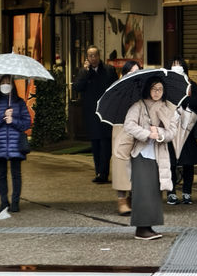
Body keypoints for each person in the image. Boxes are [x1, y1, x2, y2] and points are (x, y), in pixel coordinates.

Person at [123, 75, 179, 240]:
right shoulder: (138, 106)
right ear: (148, 88)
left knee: (154, 192)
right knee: (142, 191)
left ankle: (149, 226)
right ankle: (141, 228)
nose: (157, 92)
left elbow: (172, 132)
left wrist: (159, 134)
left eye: (160, 89)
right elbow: (129, 125)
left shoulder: (168, 107)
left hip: (159, 155)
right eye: (154, 89)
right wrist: (148, 134)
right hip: (141, 153)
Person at [0, 75, 31, 214]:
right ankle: (4, 202)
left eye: (8, 82)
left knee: (16, 174)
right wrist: (3, 116)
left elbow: (27, 123)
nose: (5, 85)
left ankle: (15, 202)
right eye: (3, 82)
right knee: (1, 175)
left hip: (16, 144)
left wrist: (13, 120)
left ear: (12, 85)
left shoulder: (20, 103)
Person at [73, 45, 118, 183]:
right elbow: (77, 87)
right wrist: (85, 73)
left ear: (99, 56)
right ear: (87, 57)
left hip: (106, 111)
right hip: (91, 112)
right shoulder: (84, 72)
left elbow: (116, 87)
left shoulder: (109, 70)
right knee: (95, 143)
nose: (93, 58)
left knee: (106, 143)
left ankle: (103, 173)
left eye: (95, 55)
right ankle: (98, 171)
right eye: (90, 56)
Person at [167, 58, 197, 206]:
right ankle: (171, 193)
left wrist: (185, 98)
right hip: (171, 128)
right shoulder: (166, 84)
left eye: (179, 65)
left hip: (188, 129)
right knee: (170, 163)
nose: (176, 67)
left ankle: (187, 193)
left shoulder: (191, 84)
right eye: (173, 65)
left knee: (188, 163)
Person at [111, 59, 140, 215]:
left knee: (138, 165)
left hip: (139, 129)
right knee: (121, 165)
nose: (134, 75)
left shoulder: (143, 89)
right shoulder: (117, 89)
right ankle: (121, 199)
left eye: (137, 71)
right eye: (131, 72)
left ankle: (133, 198)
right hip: (121, 128)